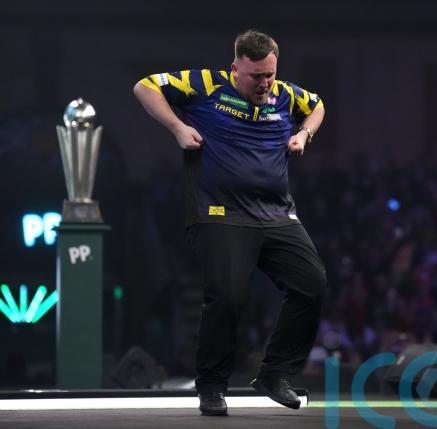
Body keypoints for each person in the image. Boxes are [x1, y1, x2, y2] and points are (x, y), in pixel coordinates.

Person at [133, 30, 326, 416]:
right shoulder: (205, 84)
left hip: (276, 213)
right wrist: (177, 127)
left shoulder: (286, 95)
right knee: (228, 294)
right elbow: (144, 86)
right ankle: (211, 386)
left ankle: (274, 373)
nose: (265, 83)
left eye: (270, 74)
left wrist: (304, 133)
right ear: (235, 68)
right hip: (221, 213)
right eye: (256, 76)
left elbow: (318, 105)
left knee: (312, 285)